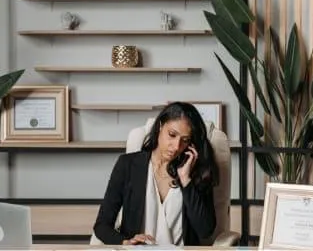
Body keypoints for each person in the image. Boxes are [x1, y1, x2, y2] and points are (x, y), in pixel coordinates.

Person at [92, 102, 219, 246]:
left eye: (185, 140)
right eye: (172, 135)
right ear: (160, 126)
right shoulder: (128, 165)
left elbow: (205, 230)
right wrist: (126, 242)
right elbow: (102, 225)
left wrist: (186, 180)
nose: (176, 146)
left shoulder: (196, 172)